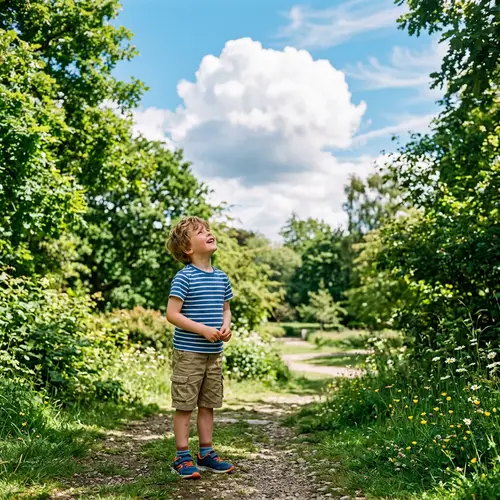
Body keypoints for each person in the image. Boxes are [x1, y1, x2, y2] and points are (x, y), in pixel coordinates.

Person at [166, 216, 235, 479]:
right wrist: (202, 329)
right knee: (185, 405)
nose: (208, 232)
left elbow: (225, 309)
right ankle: (181, 456)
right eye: (200, 231)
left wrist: (225, 327)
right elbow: (172, 314)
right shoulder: (184, 277)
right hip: (189, 354)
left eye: (208, 229)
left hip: (213, 355)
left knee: (208, 405)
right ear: (187, 248)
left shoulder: (221, 277)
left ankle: (205, 454)